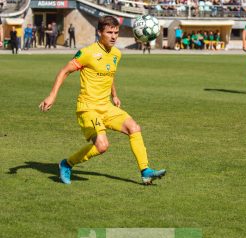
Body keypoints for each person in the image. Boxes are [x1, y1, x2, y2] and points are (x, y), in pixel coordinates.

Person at [39, 15, 166, 185]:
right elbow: (64, 71)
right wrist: (52, 95)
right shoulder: (87, 53)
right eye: (109, 32)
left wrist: (114, 95)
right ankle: (66, 164)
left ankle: (145, 172)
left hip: (106, 106)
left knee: (134, 127)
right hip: (88, 108)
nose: (113, 36)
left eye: (116, 32)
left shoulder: (116, 54)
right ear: (99, 32)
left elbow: (109, 74)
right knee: (102, 146)